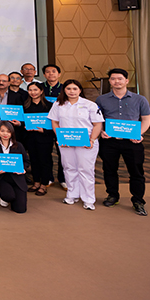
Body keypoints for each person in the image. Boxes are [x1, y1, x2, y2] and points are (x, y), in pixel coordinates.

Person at [95, 68, 150, 216]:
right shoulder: (101, 100)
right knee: (109, 169)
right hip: (109, 141)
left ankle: (138, 200)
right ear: (109, 81)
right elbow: (98, 120)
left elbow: (146, 120)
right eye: (113, 79)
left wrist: (139, 133)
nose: (116, 81)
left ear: (126, 80)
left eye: (120, 78)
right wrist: (101, 131)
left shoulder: (140, 99)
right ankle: (113, 195)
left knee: (136, 171)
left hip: (132, 141)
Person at [48, 79, 104, 210]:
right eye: (68, 89)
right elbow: (55, 122)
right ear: (64, 90)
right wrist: (60, 138)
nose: (71, 91)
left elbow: (97, 124)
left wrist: (92, 139)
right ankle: (72, 194)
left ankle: (88, 199)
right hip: (66, 143)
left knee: (86, 170)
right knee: (69, 168)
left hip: (86, 143)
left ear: (80, 90)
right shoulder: (58, 104)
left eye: (75, 89)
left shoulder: (90, 105)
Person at [0, 121, 30, 213]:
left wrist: (23, 169)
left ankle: (13, 196)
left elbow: (26, 161)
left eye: (8, 131)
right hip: (1, 177)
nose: (5, 134)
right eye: (2, 131)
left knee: (20, 209)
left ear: (12, 133)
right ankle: (4, 197)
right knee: (8, 196)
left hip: (16, 177)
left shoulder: (19, 145)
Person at [23, 82, 54, 196]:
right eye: (30, 90)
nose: (33, 92)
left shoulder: (50, 106)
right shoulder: (25, 106)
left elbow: (55, 123)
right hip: (30, 138)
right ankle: (36, 182)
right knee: (34, 160)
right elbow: (23, 121)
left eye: (35, 90)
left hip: (45, 138)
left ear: (41, 91)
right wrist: (22, 125)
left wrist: (44, 131)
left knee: (45, 161)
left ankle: (43, 184)